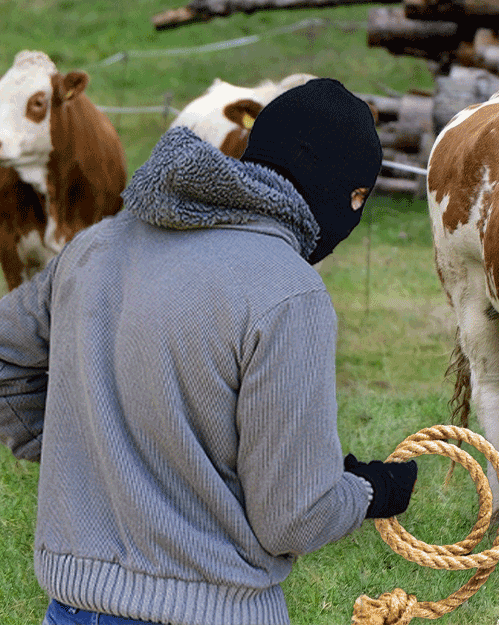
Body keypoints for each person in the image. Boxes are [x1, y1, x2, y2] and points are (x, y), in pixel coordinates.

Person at [0, 78, 418, 625]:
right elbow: (293, 517)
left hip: (73, 607)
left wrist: (81, 447)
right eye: (358, 198)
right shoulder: (289, 293)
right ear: (351, 195)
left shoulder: (95, 248)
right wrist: (372, 490)